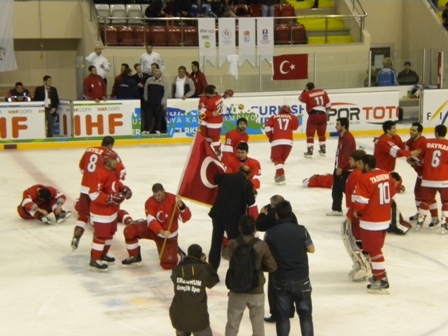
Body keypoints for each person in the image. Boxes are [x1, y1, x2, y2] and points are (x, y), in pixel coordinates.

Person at [265, 200, 315, 336]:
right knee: (305, 316)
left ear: (277, 216)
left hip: (281, 279)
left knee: (282, 317)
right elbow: (311, 249)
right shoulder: (301, 230)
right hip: (302, 278)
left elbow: (266, 254)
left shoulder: (270, 233)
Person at [71, 136, 129, 251]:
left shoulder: (89, 149)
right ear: (111, 145)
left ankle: (77, 233)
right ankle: (98, 245)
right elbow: (122, 174)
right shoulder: (111, 154)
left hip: (85, 187)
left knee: (84, 214)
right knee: (101, 219)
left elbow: (82, 168)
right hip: (101, 189)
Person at [225, 215, 277, 336]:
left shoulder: (233, 243)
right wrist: (258, 267)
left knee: (232, 325)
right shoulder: (261, 245)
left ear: (239, 228)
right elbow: (272, 266)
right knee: (258, 326)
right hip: (256, 289)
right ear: (254, 228)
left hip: (236, 288)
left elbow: (225, 256)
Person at [352, 154, 396, 294]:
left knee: (374, 251)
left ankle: (381, 279)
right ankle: (379, 274)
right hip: (384, 218)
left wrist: (356, 213)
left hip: (371, 220)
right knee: (376, 249)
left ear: (365, 165)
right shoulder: (386, 174)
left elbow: (360, 202)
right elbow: (393, 196)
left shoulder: (364, 178)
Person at [122, 183, 192, 269]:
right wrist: (162, 232)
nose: (157, 197)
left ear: (163, 191)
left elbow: (186, 218)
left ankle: (178, 253)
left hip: (168, 236)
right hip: (154, 230)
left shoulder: (174, 199)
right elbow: (151, 221)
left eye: (159, 195)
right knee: (130, 230)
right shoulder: (149, 202)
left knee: (167, 265)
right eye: (155, 195)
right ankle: (135, 257)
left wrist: (181, 205)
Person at [255, 195, 297, 324]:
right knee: (290, 283)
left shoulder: (272, 214)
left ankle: (275, 312)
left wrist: (262, 214)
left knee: (274, 286)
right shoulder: (292, 215)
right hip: (291, 255)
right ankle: (289, 310)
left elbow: (259, 225)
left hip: (275, 255)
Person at [89, 149, 132, 272]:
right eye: (114, 159)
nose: (116, 161)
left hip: (112, 211)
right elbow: (94, 194)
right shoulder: (99, 174)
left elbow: (116, 183)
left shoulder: (112, 171)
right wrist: (110, 198)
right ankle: (94, 260)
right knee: (101, 236)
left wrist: (124, 189)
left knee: (110, 233)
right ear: (107, 161)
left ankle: (102, 254)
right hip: (100, 213)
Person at [208, 166, 255, 271]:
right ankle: (237, 271)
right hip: (233, 219)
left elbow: (215, 177)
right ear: (248, 175)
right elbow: (250, 201)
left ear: (238, 170)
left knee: (216, 243)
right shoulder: (247, 184)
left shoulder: (226, 177)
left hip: (218, 214)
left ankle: (211, 271)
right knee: (235, 245)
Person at [169, 244, 219, 336]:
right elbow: (213, 281)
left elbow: (173, 278)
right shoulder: (203, 269)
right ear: (200, 255)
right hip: (198, 320)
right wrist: (204, 264)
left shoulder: (177, 269)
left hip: (178, 317)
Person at [342, 149, 371, 282]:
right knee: (359, 240)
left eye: (351, 160)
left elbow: (356, 197)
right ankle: (365, 265)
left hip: (356, 213)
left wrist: (350, 214)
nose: (349, 162)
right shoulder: (359, 173)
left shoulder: (357, 175)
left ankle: (363, 266)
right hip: (359, 212)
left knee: (351, 239)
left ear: (359, 161)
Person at [405, 123, 439, 229]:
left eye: (414, 130)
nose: (411, 131)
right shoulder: (410, 142)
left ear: (419, 132)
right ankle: (420, 213)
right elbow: (405, 151)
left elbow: (427, 160)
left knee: (428, 196)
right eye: (411, 129)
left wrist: (415, 162)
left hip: (427, 174)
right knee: (417, 193)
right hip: (420, 173)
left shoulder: (424, 142)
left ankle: (435, 217)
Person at [416, 125, 448, 234]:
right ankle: (445, 223)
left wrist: (417, 163)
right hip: (444, 179)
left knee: (425, 201)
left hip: (427, 179)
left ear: (436, 133)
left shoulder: (427, 142)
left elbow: (419, 158)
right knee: (446, 202)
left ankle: (420, 221)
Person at [327, 117, 357, 216]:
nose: (336, 126)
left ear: (343, 126)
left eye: (338, 124)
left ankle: (356, 209)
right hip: (339, 166)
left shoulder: (348, 138)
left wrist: (340, 167)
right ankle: (336, 209)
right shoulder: (342, 136)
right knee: (336, 189)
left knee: (346, 189)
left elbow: (346, 154)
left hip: (345, 169)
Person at [264, 105, 299, 185]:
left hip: (276, 141)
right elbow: (295, 127)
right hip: (289, 142)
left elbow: (267, 128)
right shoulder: (292, 117)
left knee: (277, 159)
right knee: (281, 160)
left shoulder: (274, 117)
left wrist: (270, 136)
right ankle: (278, 174)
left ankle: (280, 174)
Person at [299, 82, 331, 158]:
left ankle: (310, 150)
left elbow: (300, 98)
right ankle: (323, 148)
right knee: (322, 133)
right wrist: (327, 113)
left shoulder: (307, 93)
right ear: (314, 87)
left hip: (314, 115)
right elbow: (328, 104)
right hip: (323, 115)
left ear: (307, 88)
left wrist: (304, 91)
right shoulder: (323, 91)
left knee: (310, 133)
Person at [198, 85, 225, 155]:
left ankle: (217, 150)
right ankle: (206, 149)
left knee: (214, 136)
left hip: (214, 121)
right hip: (205, 119)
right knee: (205, 135)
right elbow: (201, 109)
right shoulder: (216, 97)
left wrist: (209, 113)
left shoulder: (216, 99)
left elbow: (214, 113)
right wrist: (211, 113)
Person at [143, 68, 169, 134]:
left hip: (159, 102)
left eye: (157, 74)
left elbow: (166, 93)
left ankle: (157, 129)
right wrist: (146, 98)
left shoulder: (164, 82)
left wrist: (163, 101)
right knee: (148, 116)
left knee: (158, 116)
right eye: (154, 74)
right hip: (149, 101)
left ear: (160, 74)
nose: (156, 76)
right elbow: (145, 90)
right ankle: (147, 129)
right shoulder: (149, 80)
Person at [131, 63, 150, 132]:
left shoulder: (146, 75)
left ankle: (146, 127)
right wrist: (137, 85)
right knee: (139, 112)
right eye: (137, 68)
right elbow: (132, 86)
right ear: (135, 70)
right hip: (138, 96)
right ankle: (139, 126)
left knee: (147, 112)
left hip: (146, 96)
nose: (139, 69)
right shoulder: (133, 77)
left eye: (140, 68)